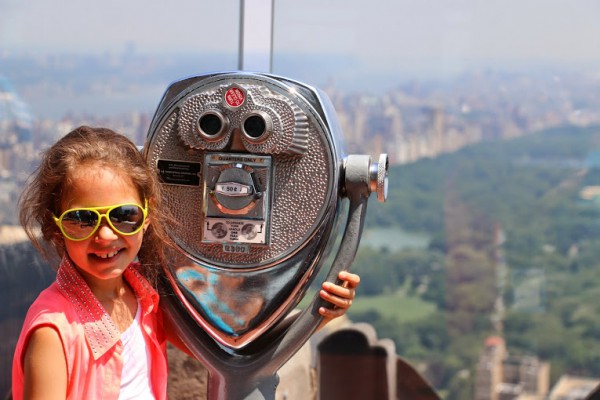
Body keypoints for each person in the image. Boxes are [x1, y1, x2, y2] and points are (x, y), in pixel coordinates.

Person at [11, 126, 360, 400]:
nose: (105, 235)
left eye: (124, 215)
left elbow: (229, 343)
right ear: (55, 229)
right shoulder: (54, 331)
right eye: (83, 219)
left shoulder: (143, 298)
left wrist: (318, 313)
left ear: (148, 215)